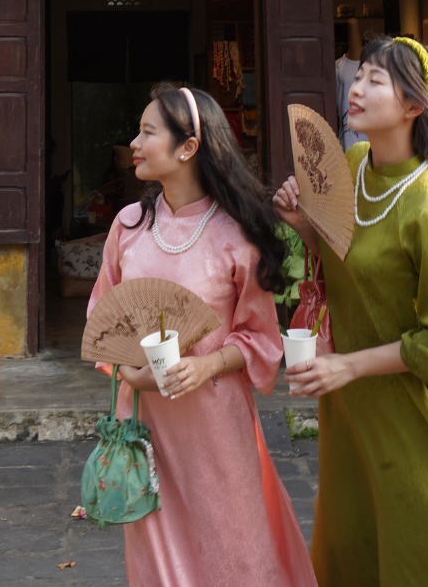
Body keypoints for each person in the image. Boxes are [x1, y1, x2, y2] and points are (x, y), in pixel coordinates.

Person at [274, 36, 428, 587]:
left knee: (421, 552)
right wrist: (303, 223)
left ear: (414, 105)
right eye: (360, 76)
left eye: (377, 80)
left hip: (409, 415)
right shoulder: (351, 166)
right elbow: (344, 262)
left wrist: (348, 366)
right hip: (349, 410)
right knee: (350, 547)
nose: (357, 88)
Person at [88, 83, 317, 587]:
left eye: (147, 132)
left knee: (232, 548)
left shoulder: (237, 235)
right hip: (146, 425)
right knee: (157, 558)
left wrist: (207, 364)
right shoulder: (128, 226)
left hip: (215, 424)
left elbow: (261, 339)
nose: (134, 142)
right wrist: (128, 371)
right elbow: (103, 319)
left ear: (187, 147)